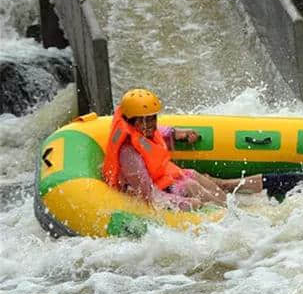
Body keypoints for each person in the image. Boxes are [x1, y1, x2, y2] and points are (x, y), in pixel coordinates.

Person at [102, 88, 267, 211]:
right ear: (133, 121)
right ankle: (226, 213)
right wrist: (183, 203)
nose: (152, 123)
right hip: (151, 191)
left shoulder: (142, 129)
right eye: (146, 120)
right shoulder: (128, 154)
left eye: (153, 118)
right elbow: (148, 196)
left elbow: (158, 131)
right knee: (191, 187)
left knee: (194, 175)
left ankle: (232, 207)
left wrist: (174, 133)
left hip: (164, 178)